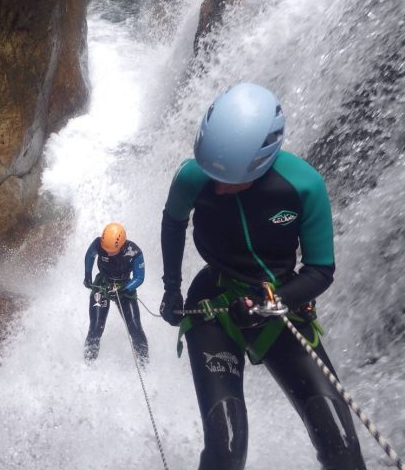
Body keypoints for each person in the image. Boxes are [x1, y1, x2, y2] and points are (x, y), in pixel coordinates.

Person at [159, 83, 367, 470]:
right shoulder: (193, 176)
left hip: (282, 309)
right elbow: (173, 222)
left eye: (230, 179)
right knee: (226, 449)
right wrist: (172, 288)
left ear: (263, 161)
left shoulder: (303, 187)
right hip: (213, 306)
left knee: (343, 450)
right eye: (211, 174)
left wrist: (269, 305)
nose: (218, 187)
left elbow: (321, 270)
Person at [83, 222, 149, 363]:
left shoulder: (134, 252)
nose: (107, 252)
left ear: (122, 245)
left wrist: (123, 289)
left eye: (112, 250)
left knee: (135, 329)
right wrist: (87, 275)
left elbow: (139, 277)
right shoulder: (99, 244)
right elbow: (90, 256)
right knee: (95, 328)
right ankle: (88, 363)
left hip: (125, 286)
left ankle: (144, 364)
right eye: (105, 249)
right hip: (103, 284)